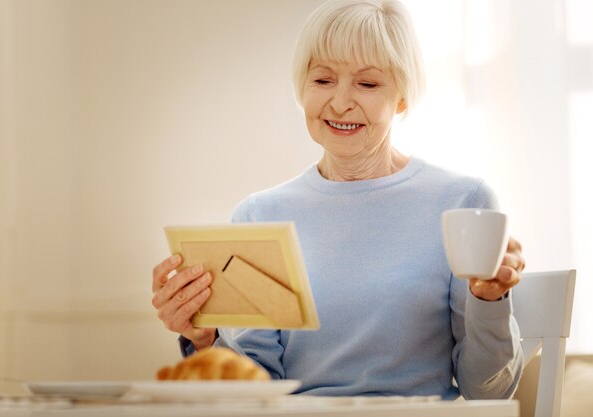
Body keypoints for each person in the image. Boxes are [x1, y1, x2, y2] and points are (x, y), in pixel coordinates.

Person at [151, 0, 526, 399]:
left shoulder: (464, 202)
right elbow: (257, 391)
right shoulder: (259, 214)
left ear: (401, 97)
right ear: (302, 88)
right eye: (323, 80)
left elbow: (489, 391)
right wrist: (206, 340)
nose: (340, 102)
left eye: (367, 84)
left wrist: (491, 300)